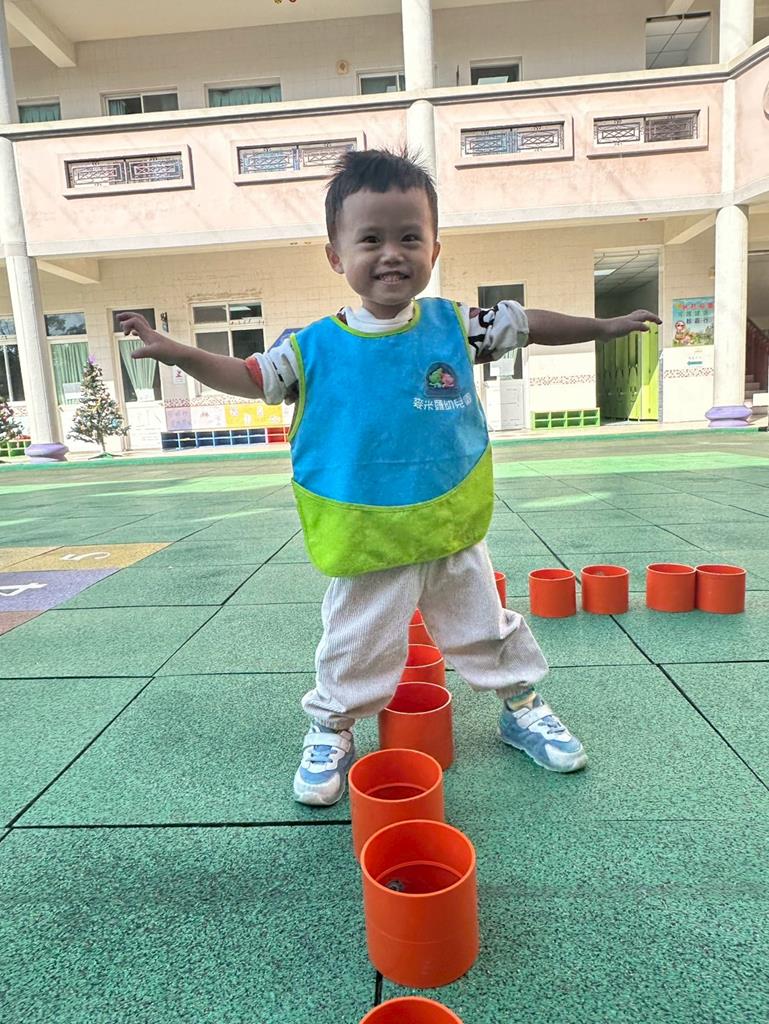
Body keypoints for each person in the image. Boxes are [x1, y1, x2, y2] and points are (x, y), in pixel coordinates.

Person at [119, 148, 661, 806]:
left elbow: (526, 324)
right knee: (356, 641)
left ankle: (521, 707)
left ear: (434, 248)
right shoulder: (310, 346)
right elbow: (250, 378)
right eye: (370, 239)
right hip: (365, 530)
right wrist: (178, 352)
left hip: (448, 523)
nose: (391, 254)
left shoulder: (454, 326)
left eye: (409, 237)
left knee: (483, 627)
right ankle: (331, 727)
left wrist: (604, 325)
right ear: (335, 255)